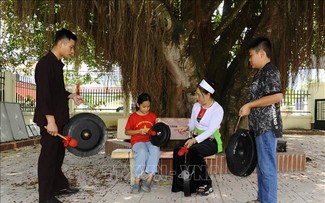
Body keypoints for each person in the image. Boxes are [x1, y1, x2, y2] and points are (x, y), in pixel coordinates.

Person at [34, 28, 84, 203]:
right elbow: (44, 95)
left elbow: (56, 92)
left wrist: (71, 95)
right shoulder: (45, 65)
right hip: (50, 121)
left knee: (58, 155)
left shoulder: (56, 64)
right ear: (61, 43)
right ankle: (45, 197)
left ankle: (58, 186)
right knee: (48, 157)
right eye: (70, 47)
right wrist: (50, 121)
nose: (72, 50)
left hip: (60, 118)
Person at [239, 37, 283, 203]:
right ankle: (262, 199)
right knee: (262, 167)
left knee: (267, 167)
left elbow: (277, 96)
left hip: (267, 127)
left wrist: (250, 105)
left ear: (262, 53)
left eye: (251, 55)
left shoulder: (270, 71)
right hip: (259, 128)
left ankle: (269, 201)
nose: (249, 59)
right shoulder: (260, 73)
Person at [172, 79, 223, 196]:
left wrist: (194, 140)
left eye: (199, 95)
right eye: (197, 95)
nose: (197, 98)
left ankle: (205, 183)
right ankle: (182, 184)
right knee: (178, 149)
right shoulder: (196, 106)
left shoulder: (217, 109)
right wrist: (186, 127)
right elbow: (193, 124)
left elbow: (211, 130)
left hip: (211, 140)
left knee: (194, 150)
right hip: (196, 138)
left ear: (208, 94)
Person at [125, 93, 160, 194]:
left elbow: (157, 130)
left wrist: (159, 123)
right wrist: (138, 131)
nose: (146, 109)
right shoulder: (133, 117)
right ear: (138, 105)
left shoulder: (153, 116)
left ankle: (149, 180)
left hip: (150, 141)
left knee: (155, 150)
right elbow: (127, 131)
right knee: (142, 152)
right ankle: (137, 180)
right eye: (144, 106)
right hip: (138, 141)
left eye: (148, 106)